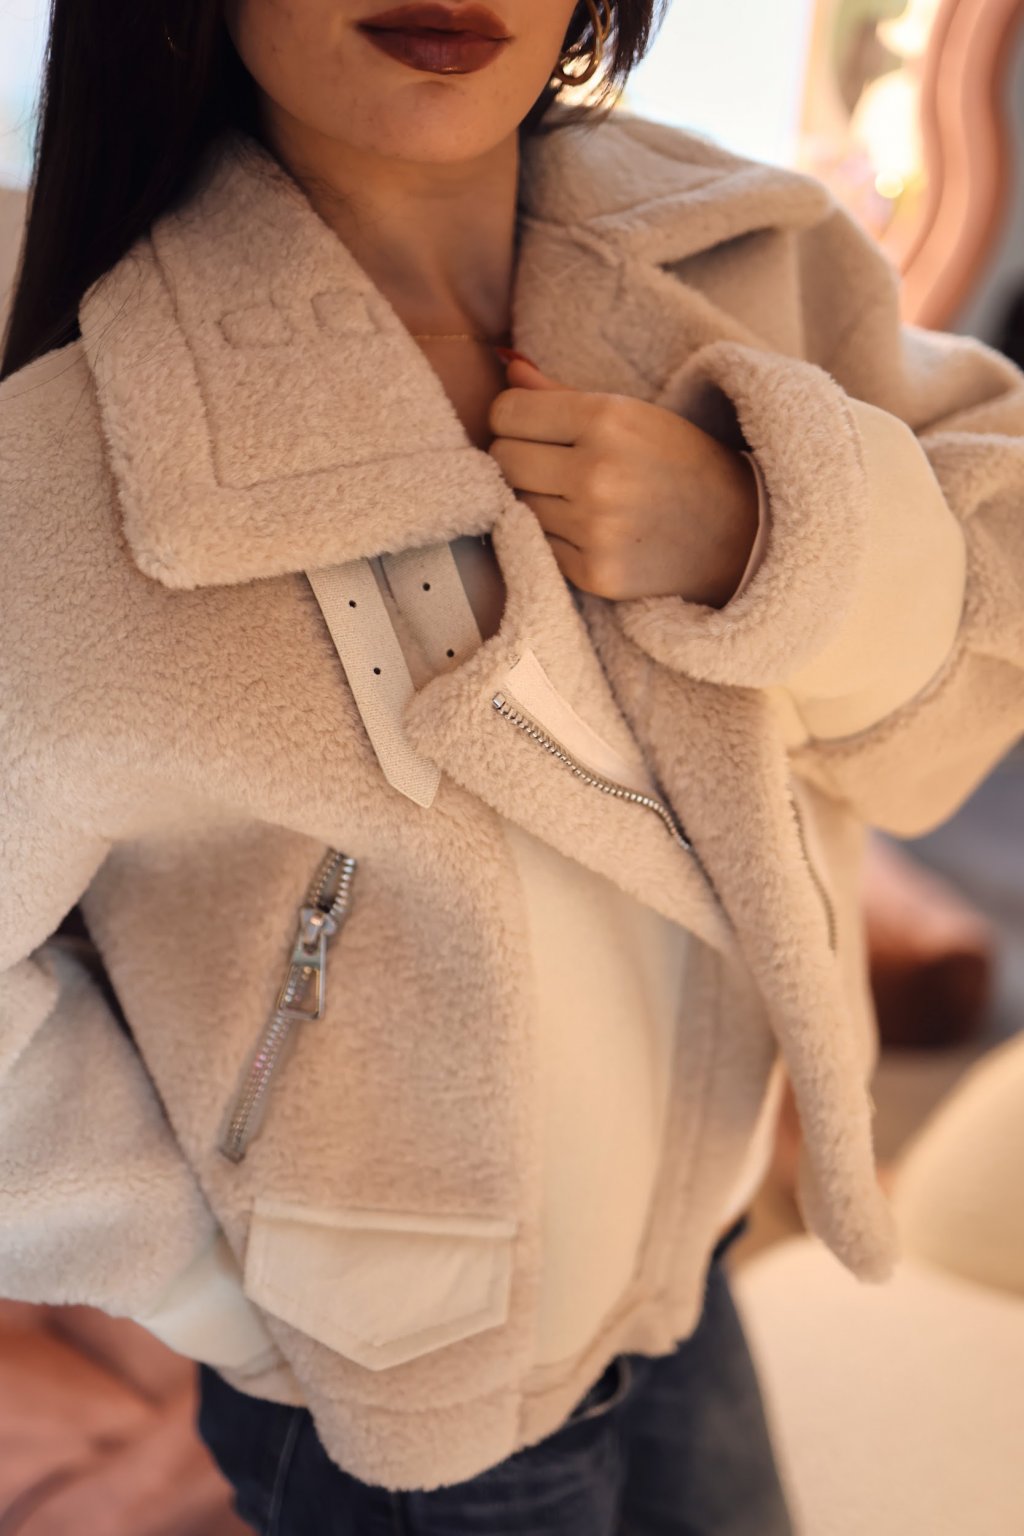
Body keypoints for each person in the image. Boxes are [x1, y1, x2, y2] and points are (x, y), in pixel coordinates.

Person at [1, 1, 1022, 1531]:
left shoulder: (753, 265)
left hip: (689, 1272)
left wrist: (764, 536)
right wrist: (254, 1284)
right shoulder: (78, 459)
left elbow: (981, 659)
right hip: (413, 1398)